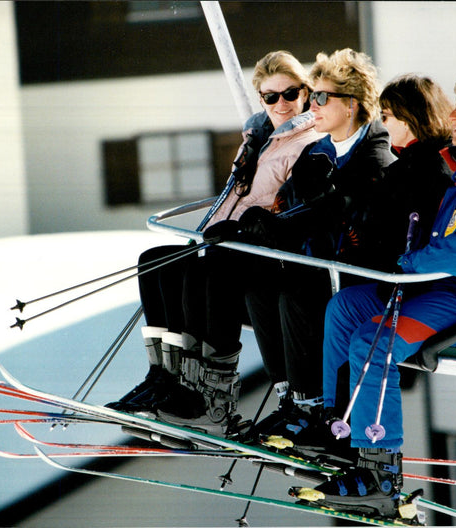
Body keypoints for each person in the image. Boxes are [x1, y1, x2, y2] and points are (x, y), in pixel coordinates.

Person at [297, 67, 456, 521]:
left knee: (372, 342)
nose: (452, 118)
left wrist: (408, 262)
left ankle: (379, 477)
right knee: (345, 307)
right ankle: (339, 434)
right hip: (447, 292)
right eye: (454, 106)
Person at [105, 51, 321, 436]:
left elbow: (287, 208)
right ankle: (167, 378)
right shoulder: (256, 138)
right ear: (261, 100)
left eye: (290, 93)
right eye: (271, 97)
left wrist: (246, 230)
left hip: (266, 251)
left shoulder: (308, 140)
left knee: (205, 269)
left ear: (305, 92)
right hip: (231, 241)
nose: (282, 104)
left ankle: (212, 397)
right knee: (155, 260)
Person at [232, 49, 396, 450]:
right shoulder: (322, 151)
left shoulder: (374, 157)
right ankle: (289, 396)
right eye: (315, 96)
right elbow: (291, 202)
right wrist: (270, 222)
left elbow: (344, 217)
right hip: (324, 262)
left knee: (297, 294)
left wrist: (288, 224)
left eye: (321, 97)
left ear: (351, 105)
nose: (313, 106)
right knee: (259, 285)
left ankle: (311, 407)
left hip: (360, 274)